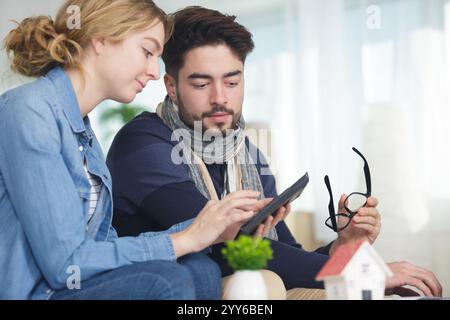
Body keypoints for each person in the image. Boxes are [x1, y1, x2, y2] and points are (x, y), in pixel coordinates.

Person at [106, 6, 443, 297]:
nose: (220, 97)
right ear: (171, 87)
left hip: (256, 286)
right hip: (191, 290)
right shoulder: (143, 145)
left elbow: (288, 255)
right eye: (201, 83)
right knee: (265, 283)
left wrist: (345, 246)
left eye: (232, 81)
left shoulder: (248, 153)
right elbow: (227, 247)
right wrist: (362, 273)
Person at [0, 0, 273, 300]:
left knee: (200, 268)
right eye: (147, 51)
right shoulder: (30, 111)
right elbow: (65, 265)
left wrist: (209, 229)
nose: (154, 72)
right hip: (43, 292)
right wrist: (183, 239)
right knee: (166, 280)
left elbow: (101, 245)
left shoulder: (83, 132)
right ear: (101, 39)